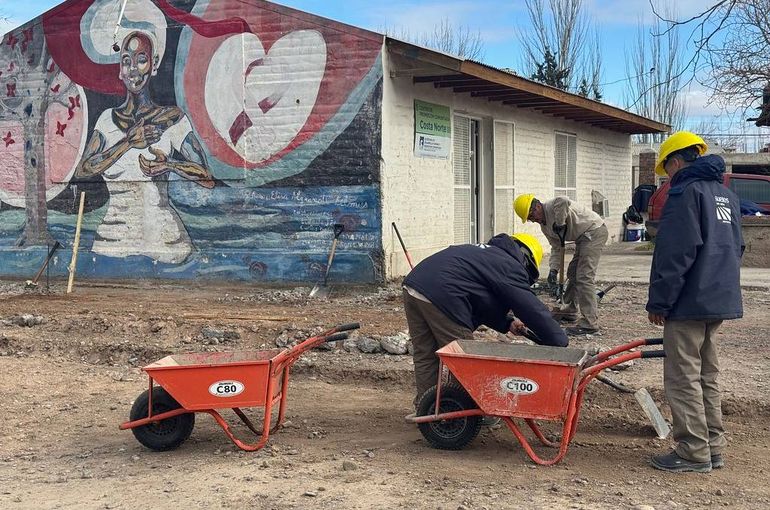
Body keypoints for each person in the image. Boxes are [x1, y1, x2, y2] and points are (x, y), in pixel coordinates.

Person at [646, 131, 743, 473]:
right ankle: (713, 447)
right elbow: (737, 248)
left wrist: (660, 302)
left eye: (665, 169)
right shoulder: (724, 194)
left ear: (675, 162)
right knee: (706, 374)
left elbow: (676, 253)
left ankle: (692, 451)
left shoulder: (684, 192)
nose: (666, 176)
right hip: (717, 298)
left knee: (683, 376)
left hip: (687, 302)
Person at [75, 30, 213, 264]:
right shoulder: (107, 119)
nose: (133, 69)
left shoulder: (172, 118)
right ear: (120, 70)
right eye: (126, 61)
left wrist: (169, 165)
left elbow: (207, 177)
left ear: (154, 65)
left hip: (167, 247)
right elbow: (83, 170)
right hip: (110, 246)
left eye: (141, 59)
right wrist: (128, 142)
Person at [402, 233, 569, 406]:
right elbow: (530, 308)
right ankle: (465, 411)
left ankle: (426, 409)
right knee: (463, 358)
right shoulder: (508, 265)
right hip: (443, 294)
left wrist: (507, 322)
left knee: (426, 354)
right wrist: (558, 341)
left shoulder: (486, 255)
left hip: (414, 285)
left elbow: (482, 300)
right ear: (526, 260)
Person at [513, 194, 608, 335]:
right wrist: (553, 270)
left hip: (594, 231)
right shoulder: (545, 228)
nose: (534, 221)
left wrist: (560, 222)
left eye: (532, 216)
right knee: (572, 273)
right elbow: (556, 248)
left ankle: (590, 324)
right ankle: (570, 309)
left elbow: (563, 200)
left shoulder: (552, 207)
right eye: (530, 219)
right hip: (583, 238)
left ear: (538, 206)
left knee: (584, 276)